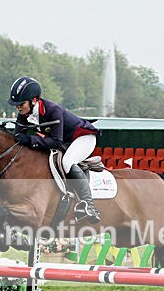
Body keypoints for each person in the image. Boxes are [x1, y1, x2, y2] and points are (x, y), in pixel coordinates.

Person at [8, 76, 101, 223]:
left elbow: (56, 142)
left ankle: (88, 206)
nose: (18, 107)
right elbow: (19, 137)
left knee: (67, 163)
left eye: (21, 103)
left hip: (82, 138)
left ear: (33, 100)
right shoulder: (23, 115)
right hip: (64, 142)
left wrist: (30, 140)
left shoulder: (53, 110)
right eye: (16, 105)